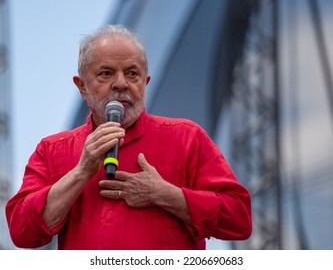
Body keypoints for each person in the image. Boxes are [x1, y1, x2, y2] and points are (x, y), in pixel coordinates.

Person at [6, 24, 252, 250]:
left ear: (145, 83)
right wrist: (81, 172)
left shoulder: (188, 138)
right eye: (106, 73)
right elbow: (21, 232)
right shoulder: (53, 150)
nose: (121, 84)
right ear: (82, 87)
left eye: (132, 74)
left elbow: (239, 219)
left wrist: (166, 195)